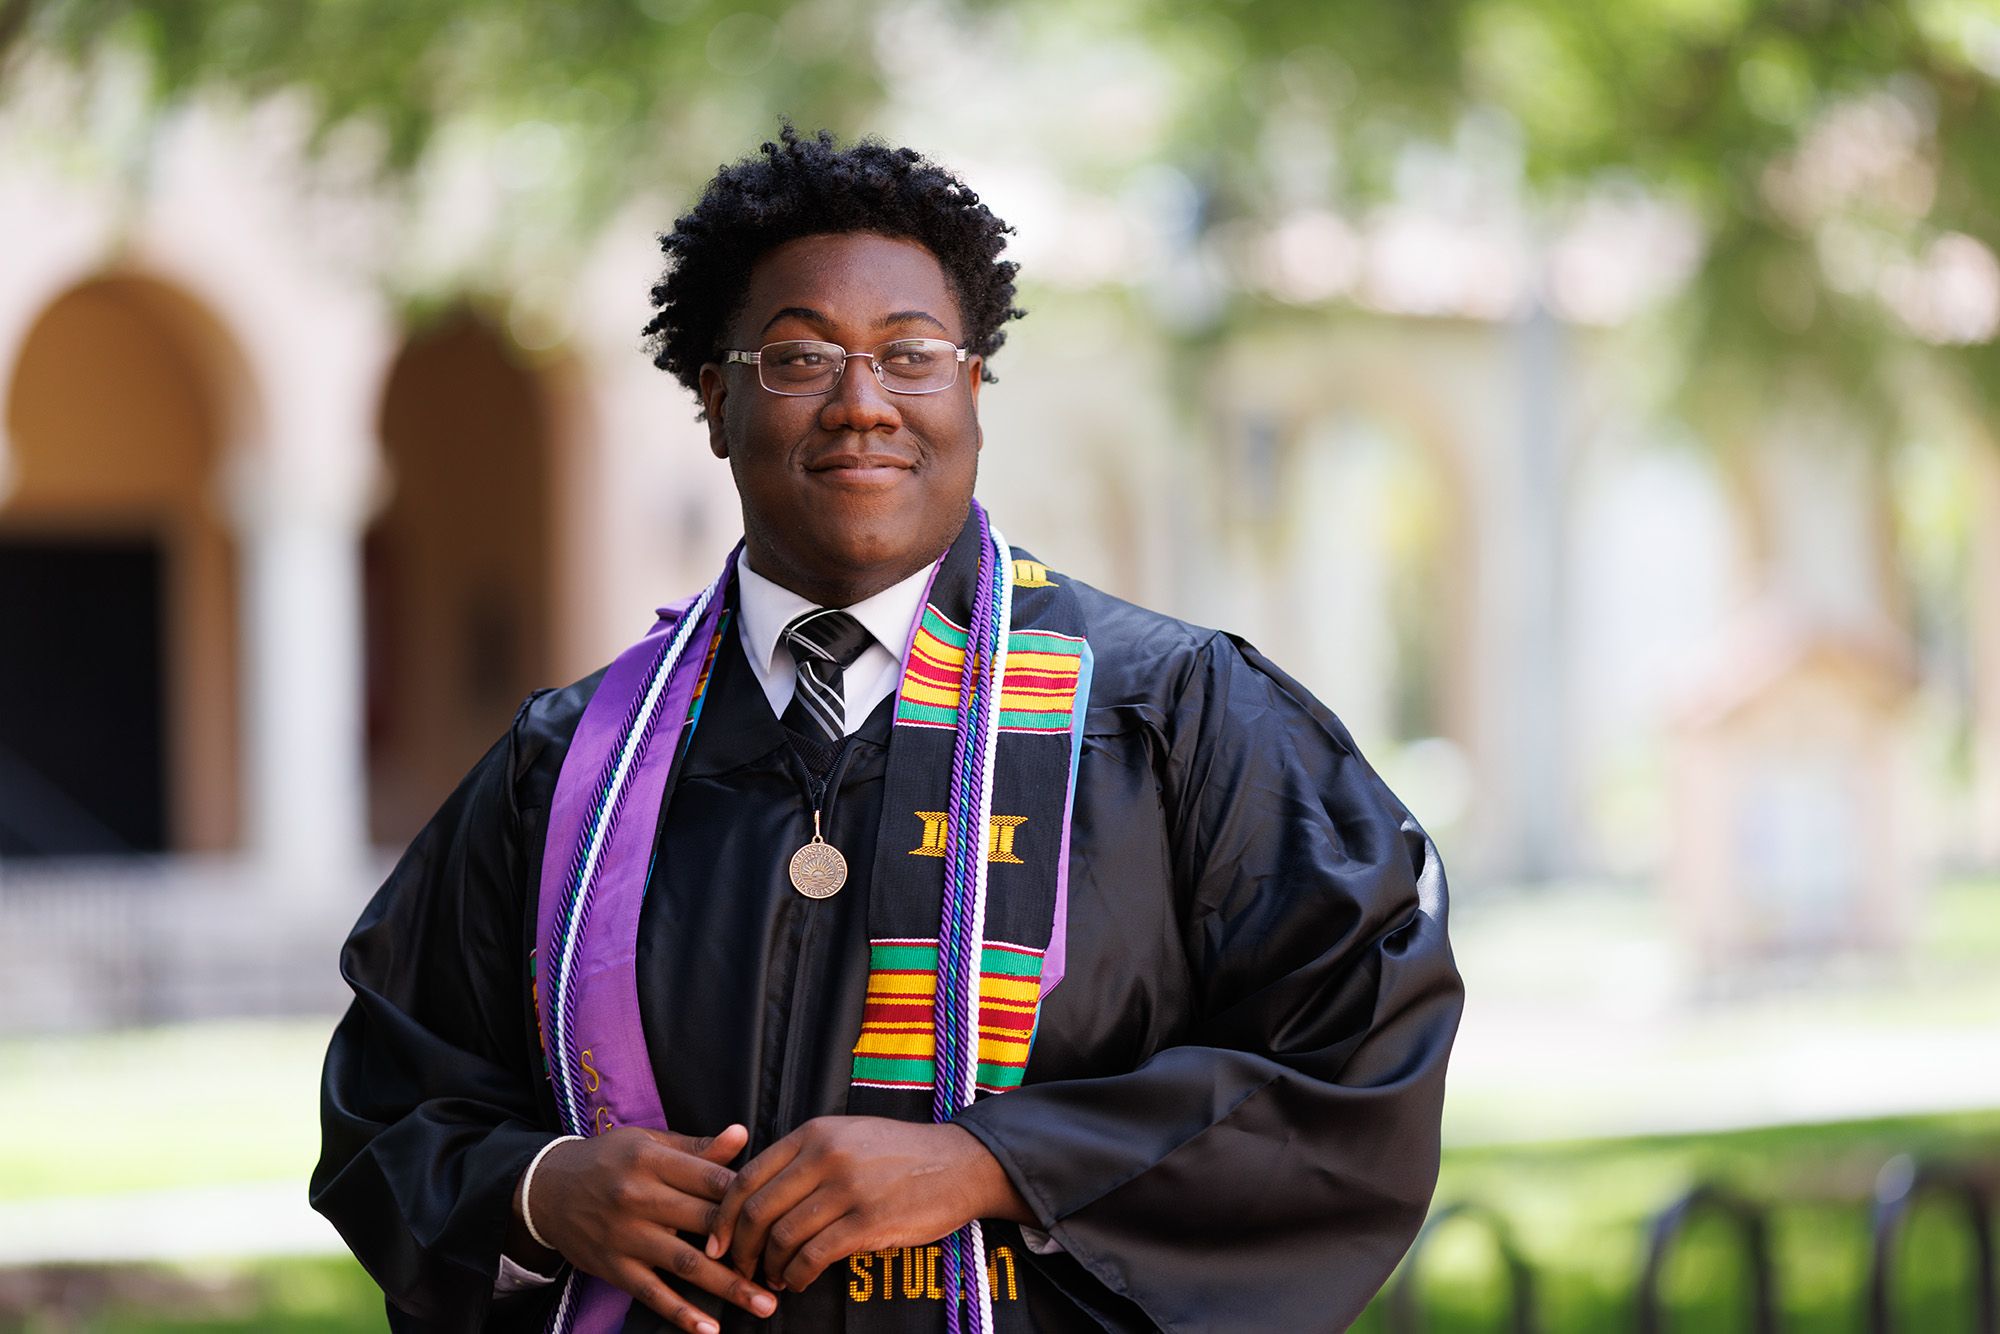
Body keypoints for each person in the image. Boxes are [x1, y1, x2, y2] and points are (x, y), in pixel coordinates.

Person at [312, 127, 1463, 1334]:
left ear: (972, 391)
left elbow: (1352, 1053)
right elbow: (391, 1097)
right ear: (715, 399)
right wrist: (540, 1190)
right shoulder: (569, 767)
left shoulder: (1171, 716)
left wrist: (994, 1162)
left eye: (910, 354)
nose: (861, 404)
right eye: (800, 356)